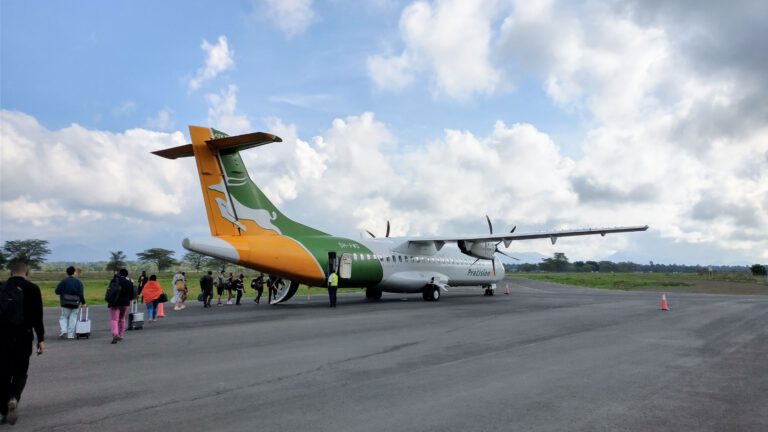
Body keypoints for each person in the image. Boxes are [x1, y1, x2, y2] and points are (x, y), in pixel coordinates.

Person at [0, 261, 45, 426]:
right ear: (27, 272)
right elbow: (38, 317)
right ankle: (14, 397)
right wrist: (41, 339)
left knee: (3, 374)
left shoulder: (1, 287)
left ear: (11, 272)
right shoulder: (33, 289)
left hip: (2, 338)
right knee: (20, 372)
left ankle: (4, 411)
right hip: (23, 338)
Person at [54, 266, 86, 339]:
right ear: (74, 272)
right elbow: (81, 294)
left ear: (67, 273)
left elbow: (57, 291)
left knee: (63, 317)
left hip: (65, 303)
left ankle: (64, 330)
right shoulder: (79, 282)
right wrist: (83, 303)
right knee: (73, 318)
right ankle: (70, 335)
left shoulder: (63, 281)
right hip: (75, 303)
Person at [107, 269, 135, 344]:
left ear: (119, 273)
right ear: (126, 275)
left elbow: (110, 291)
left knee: (114, 319)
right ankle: (121, 334)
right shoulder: (129, 282)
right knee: (122, 319)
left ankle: (115, 334)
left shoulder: (114, 280)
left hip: (115, 303)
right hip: (125, 303)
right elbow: (132, 294)